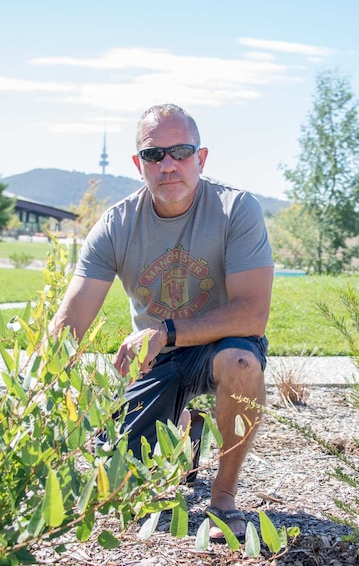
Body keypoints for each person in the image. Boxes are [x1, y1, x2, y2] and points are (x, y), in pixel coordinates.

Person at [50, 103, 273, 542]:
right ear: (139, 165)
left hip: (222, 343)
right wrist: (54, 388)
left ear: (201, 158)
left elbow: (253, 313)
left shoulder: (236, 209)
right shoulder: (116, 225)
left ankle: (223, 499)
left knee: (240, 363)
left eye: (181, 152)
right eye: (154, 155)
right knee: (120, 485)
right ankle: (184, 428)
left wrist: (165, 330)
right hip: (158, 361)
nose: (168, 165)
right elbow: (69, 323)